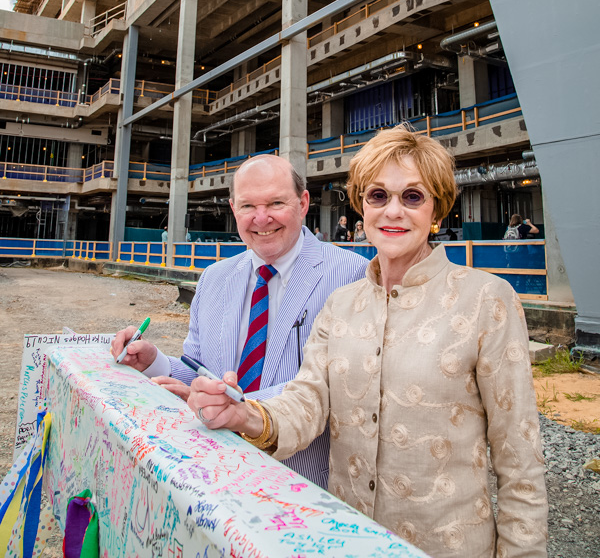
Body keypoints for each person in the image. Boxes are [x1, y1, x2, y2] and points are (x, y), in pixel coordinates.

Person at [189, 127, 548, 558]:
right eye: (378, 196)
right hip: (344, 540)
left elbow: (519, 458)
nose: (393, 211)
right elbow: (307, 402)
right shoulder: (342, 303)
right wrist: (245, 414)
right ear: (362, 207)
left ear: (437, 208)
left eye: (412, 197)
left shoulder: (486, 300)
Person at [111, 154, 368, 488]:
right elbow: (202, 371)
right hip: (216, 472)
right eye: (248, 206)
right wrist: (155, 362)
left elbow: (338, 389)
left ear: (304, 203)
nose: (261, 219)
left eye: (276, 202)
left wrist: (240, 410)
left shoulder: (352, 276)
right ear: (233, 209)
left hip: (301, 482)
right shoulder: (214, 278)